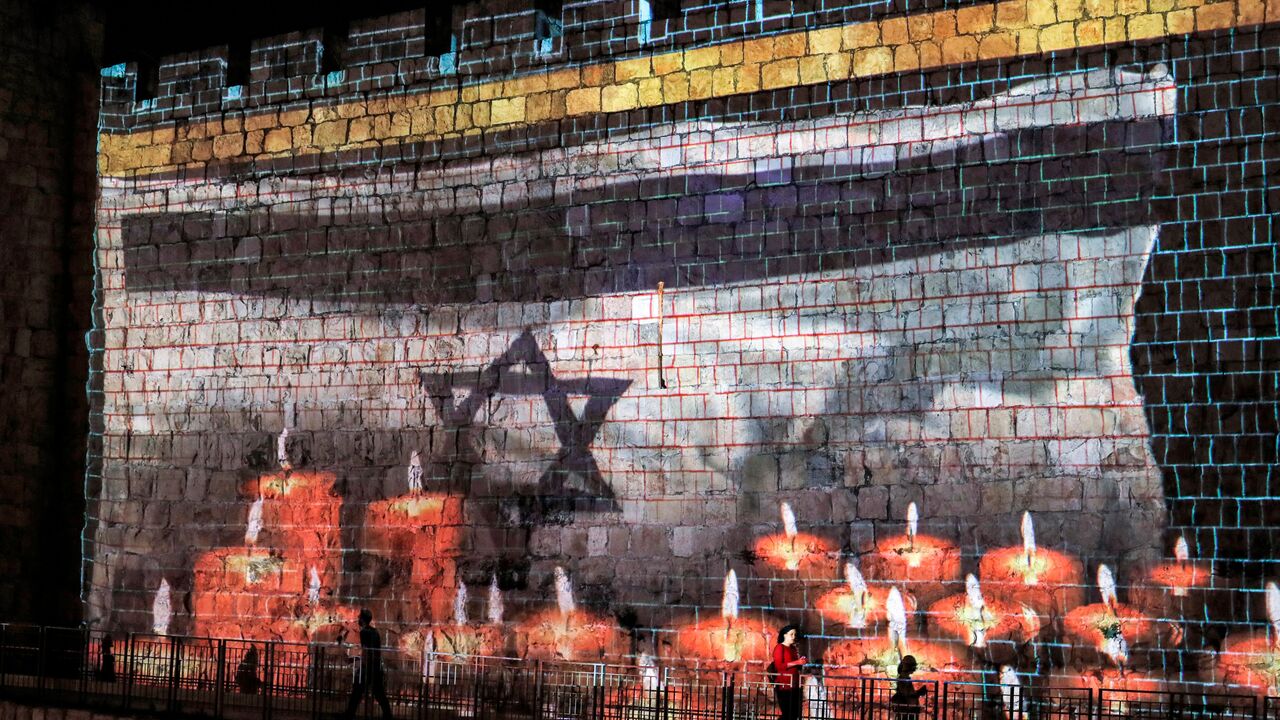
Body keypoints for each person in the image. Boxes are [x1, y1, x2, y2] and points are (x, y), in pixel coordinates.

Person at [342, 608, 394, 720]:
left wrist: (358, 661)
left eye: (359, 617)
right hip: (375, 666)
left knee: (358, 689)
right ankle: (387, 714)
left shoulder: (365, 632)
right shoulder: (374, 631)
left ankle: (350, 714)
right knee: (378, 692)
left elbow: (366, 650)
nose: (358, 618)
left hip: (368, 667)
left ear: (363, 619)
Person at [769, 624, 806, 720]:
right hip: (784, 685)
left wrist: (800, 662)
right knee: (787, 712)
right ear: (785, 635)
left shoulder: (793, 649)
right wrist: (797, 662)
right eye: (791, 634)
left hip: (794, 684)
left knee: (795, 713)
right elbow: (779, 666)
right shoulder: (780, 647)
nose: (794, 637)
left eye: (795, 634)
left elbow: (794, 665)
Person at [889, 655, 928, 720]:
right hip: (907, 711)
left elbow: (908, 694)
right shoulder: (903, 679)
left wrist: (918, 693)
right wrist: (919, 693)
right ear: (909, 667)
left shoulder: (904, 678)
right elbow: (907, 695)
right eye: (913, 666)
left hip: (908, 710)